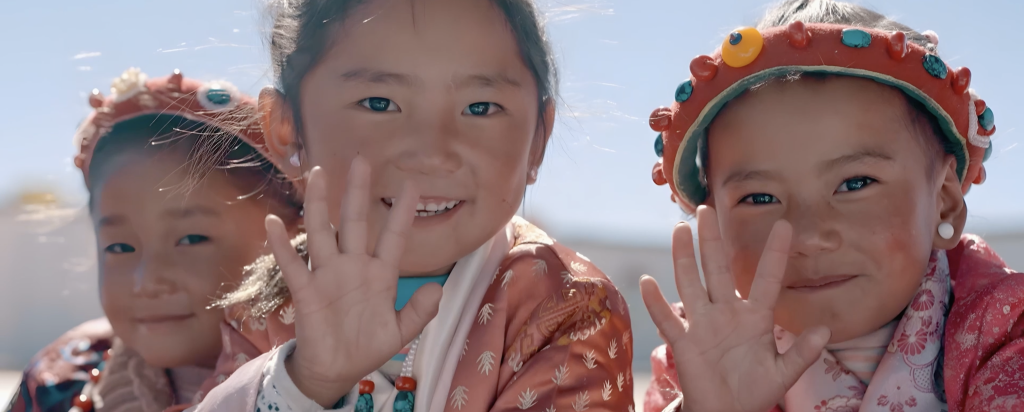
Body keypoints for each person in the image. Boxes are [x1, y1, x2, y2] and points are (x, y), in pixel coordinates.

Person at [186, 0, 636, 411]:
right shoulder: (266, 306)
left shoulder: (567, 307)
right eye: (380, 103)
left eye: (481, 107)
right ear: (287, 130)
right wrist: (306, 381)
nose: (432, 153)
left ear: (538, 140)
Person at [639, 1, 1023, 411]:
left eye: (855, 184)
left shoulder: (1004, 335)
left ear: (944, 201)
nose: (808, 237)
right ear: (714, 222)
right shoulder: (699, 361)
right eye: (760, 198)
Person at [5, 68, 301, 412]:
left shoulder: (334, 381)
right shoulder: (57, 381)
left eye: (191, 239)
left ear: (294, 234)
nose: (146, 281)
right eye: (119, 247)